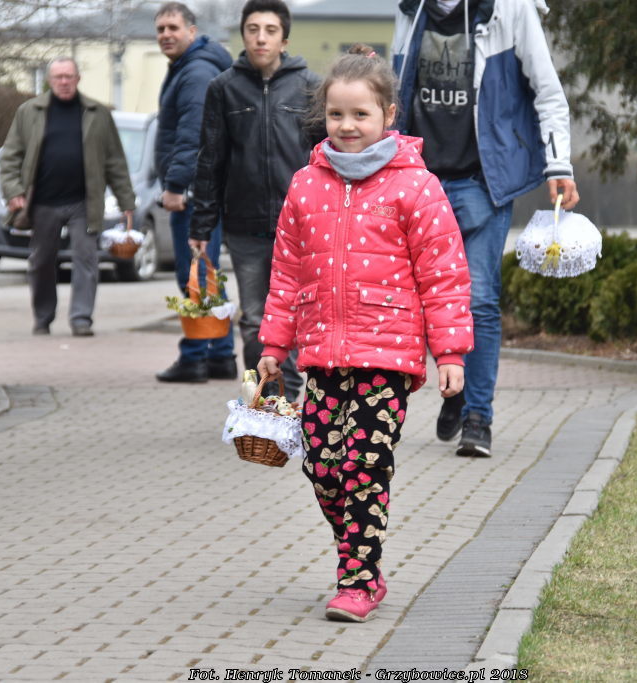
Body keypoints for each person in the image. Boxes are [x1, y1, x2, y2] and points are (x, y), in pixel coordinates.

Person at [257, 45, 473, 623]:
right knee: (323, 467)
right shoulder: (306, 185)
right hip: (322, 353)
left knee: (363, 466)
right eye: (336, 114)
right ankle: (360, 555)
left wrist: (450, 352)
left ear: (388, 115)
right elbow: (286, 271)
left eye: (360, 114)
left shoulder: (416, 187)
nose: (347, 126)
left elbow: (444, 274)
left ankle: (358, 578)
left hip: (388, 355)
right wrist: (275, 344)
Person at [392, 0, 581, 457]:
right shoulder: (411, 9)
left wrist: (559, 163)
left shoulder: (509, 10)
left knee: (478, 299)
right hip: (420, 180)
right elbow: (396, 89)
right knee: (423, 301)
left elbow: (547, 90)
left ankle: (478, 416)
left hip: (482, 180)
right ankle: (455, 387)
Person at [189, 0, 320, 399]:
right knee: (254, 320)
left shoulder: (310, 86)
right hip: (244, 225)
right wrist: (202, 225)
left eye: (270, 30)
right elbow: (211, 159)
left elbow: (323, 156)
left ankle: (290, 398)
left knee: (297, 316)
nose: (261, 38)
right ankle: (265, 399)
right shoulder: (224, 88)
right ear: (243, 35)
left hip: (300, 226)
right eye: (253, 29)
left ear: (284, 40)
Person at [0, 57, 135, 337]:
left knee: (86, 259)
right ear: (49, 80)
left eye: (68, 76)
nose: (63, 82)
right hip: (43, 202)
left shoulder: (97, 113)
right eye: (58, 77)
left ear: (78, 79)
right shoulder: (29, 111)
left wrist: (126, 203)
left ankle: (81, 319)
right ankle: (43, 317)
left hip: (84, 202)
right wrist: (13, 191)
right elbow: (10, 157)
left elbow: (115, 162)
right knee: (41, 261)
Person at [153, 2, 237, 383]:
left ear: (192, 31)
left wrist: (176, 186)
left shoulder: (196, 72)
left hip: (192, 192)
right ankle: (220, 355)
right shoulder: (191, 67)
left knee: (194, 276)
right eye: (160, 29)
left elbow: (192, 135)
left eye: (173, 27)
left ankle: (194, 357)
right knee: (207, 274)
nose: (166, 35)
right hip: (201, 190)